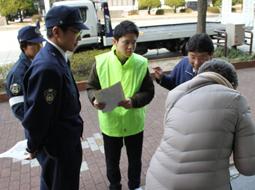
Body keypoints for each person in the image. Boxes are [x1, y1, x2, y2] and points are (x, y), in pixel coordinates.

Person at [145, 59, 255, 190]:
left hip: (156, 180)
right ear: (231, 83)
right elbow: (248, 167)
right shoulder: (235, 99)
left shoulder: (175, 96)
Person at [22, 6, 88, 190]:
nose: (78, 37)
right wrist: (32, 146)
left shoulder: (58, 57)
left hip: (65, 141)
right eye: (75, 31)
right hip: (58, 149)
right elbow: (38, 115)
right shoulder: (48, 67)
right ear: (57, 32)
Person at [87, 20, 155, 190]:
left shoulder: (141, 63)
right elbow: (91, 87)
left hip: (134, 122)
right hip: (111, 123)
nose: (131, 47)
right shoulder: (101, 62)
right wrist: (94, 100)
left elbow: (149, 91)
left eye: (134, 42)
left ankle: (135, 186)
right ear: (115, 42)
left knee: (135, 161)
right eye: (126, 42)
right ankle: (114, 186)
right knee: (112, 162)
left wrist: (133, 101)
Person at [5, 25, 45, 122]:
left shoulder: (40, 63)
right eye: (35, 44)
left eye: (40, 42)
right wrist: (39, 124)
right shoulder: (17, 73)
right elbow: (19, 108)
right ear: (23, 46)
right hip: (38, 129)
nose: (39, 46)